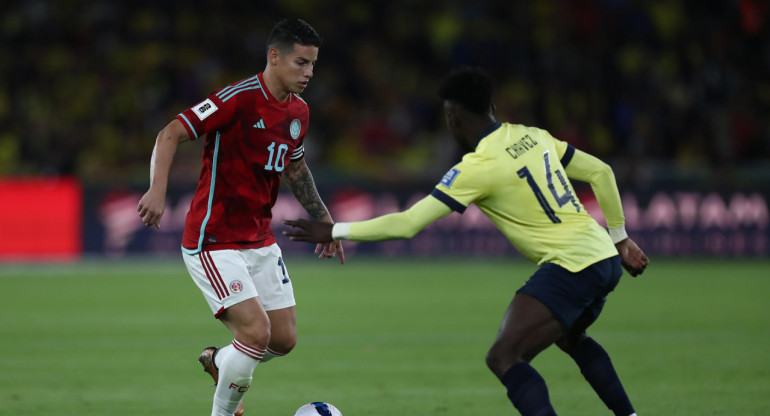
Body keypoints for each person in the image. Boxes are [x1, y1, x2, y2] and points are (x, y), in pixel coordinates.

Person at [284, 66, 649, 416]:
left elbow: (408, 223)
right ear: (491, 107)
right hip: (602, 255)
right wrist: (621, 239)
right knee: (571, 337)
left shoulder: (476, 168)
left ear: (453, 120)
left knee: (504, 357)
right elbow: (601, 172)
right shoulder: (533, 135)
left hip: (571, 264)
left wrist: (334, 230)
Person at [137, 18, 344, 416]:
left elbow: (295, 169)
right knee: (255, 331)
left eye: (313, 64)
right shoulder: (237, 98)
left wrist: (324, 221)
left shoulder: (299, 112)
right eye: (301, 63)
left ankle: (222, 363)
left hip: (259, 239)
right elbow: (170, 133)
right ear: (274, 56)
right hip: (213, 240)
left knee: (282, 340)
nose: (309, 73)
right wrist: (157, 189)